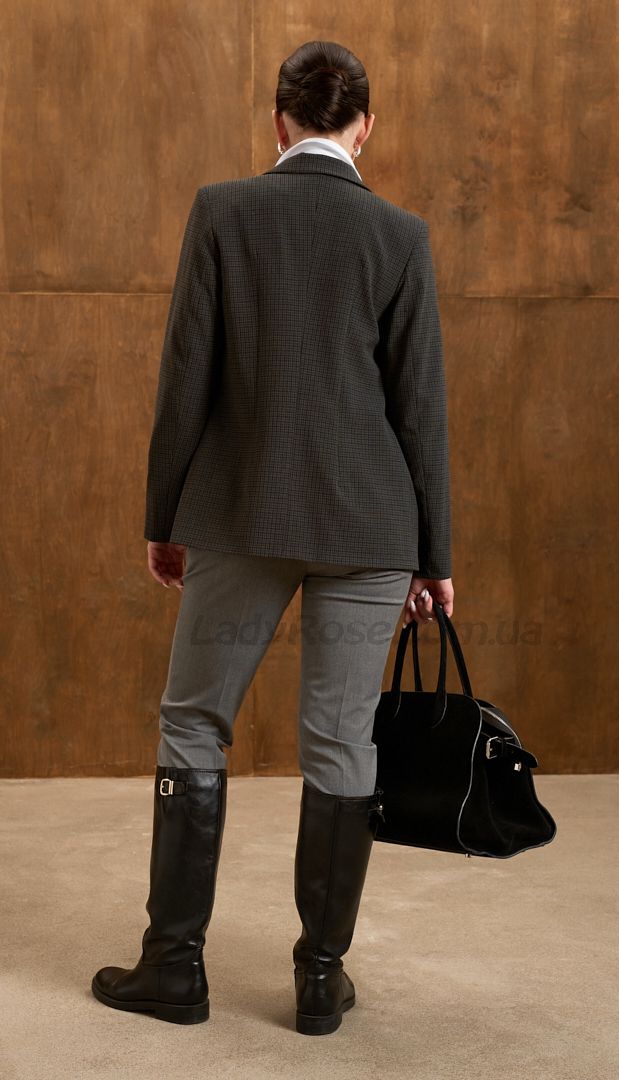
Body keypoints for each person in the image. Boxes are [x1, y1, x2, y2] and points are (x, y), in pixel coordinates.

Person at [91, 39, 454, 1036]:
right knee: (340, 740)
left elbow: (185, 379)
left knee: (193, 722)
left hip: (242, 512)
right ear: (364, 127)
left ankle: (174, 969)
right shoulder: (401, 234)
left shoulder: (224, 210)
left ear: (279, 121)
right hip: (373, 524)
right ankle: (319, 981)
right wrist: (435, 558)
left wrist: (165, 518)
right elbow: (420, 404)